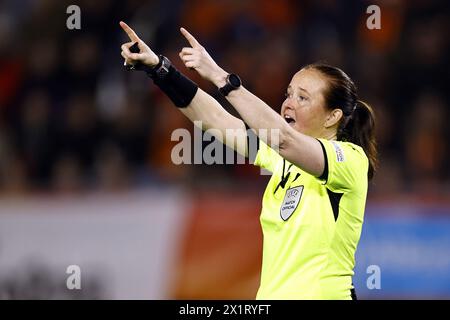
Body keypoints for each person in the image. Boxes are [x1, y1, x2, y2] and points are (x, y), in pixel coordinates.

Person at [119, 21, 377, 300]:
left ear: (332, 117)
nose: (289, 103)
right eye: (289, 93)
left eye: (303, 98)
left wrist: (221, 77)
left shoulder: (349, 160)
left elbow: (283, 138)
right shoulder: (282, 161)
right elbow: (216, 120)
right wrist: (161, 69)